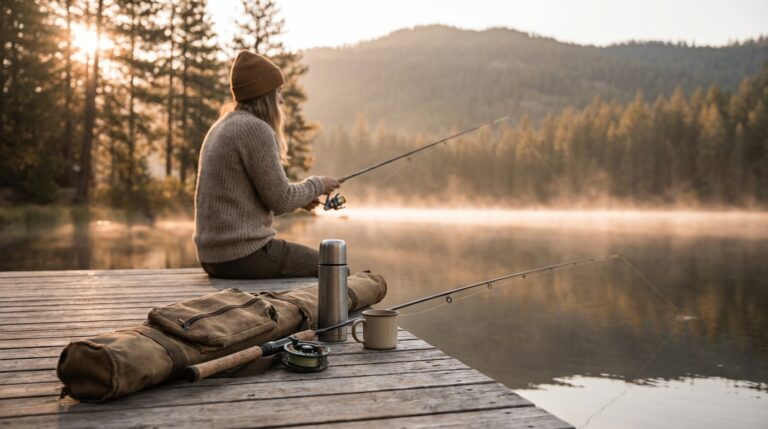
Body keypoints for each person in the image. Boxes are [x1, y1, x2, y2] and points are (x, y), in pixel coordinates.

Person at [194, 51, 339, 279]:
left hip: (212, 257)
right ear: (265, 95)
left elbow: (261, 192)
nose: (281, 100)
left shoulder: (222, 126)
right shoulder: (255, 129)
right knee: (335, 266)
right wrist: (318, 184)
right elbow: (280, 200)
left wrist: (302, 200)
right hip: (243, 256)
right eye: (278, 92)